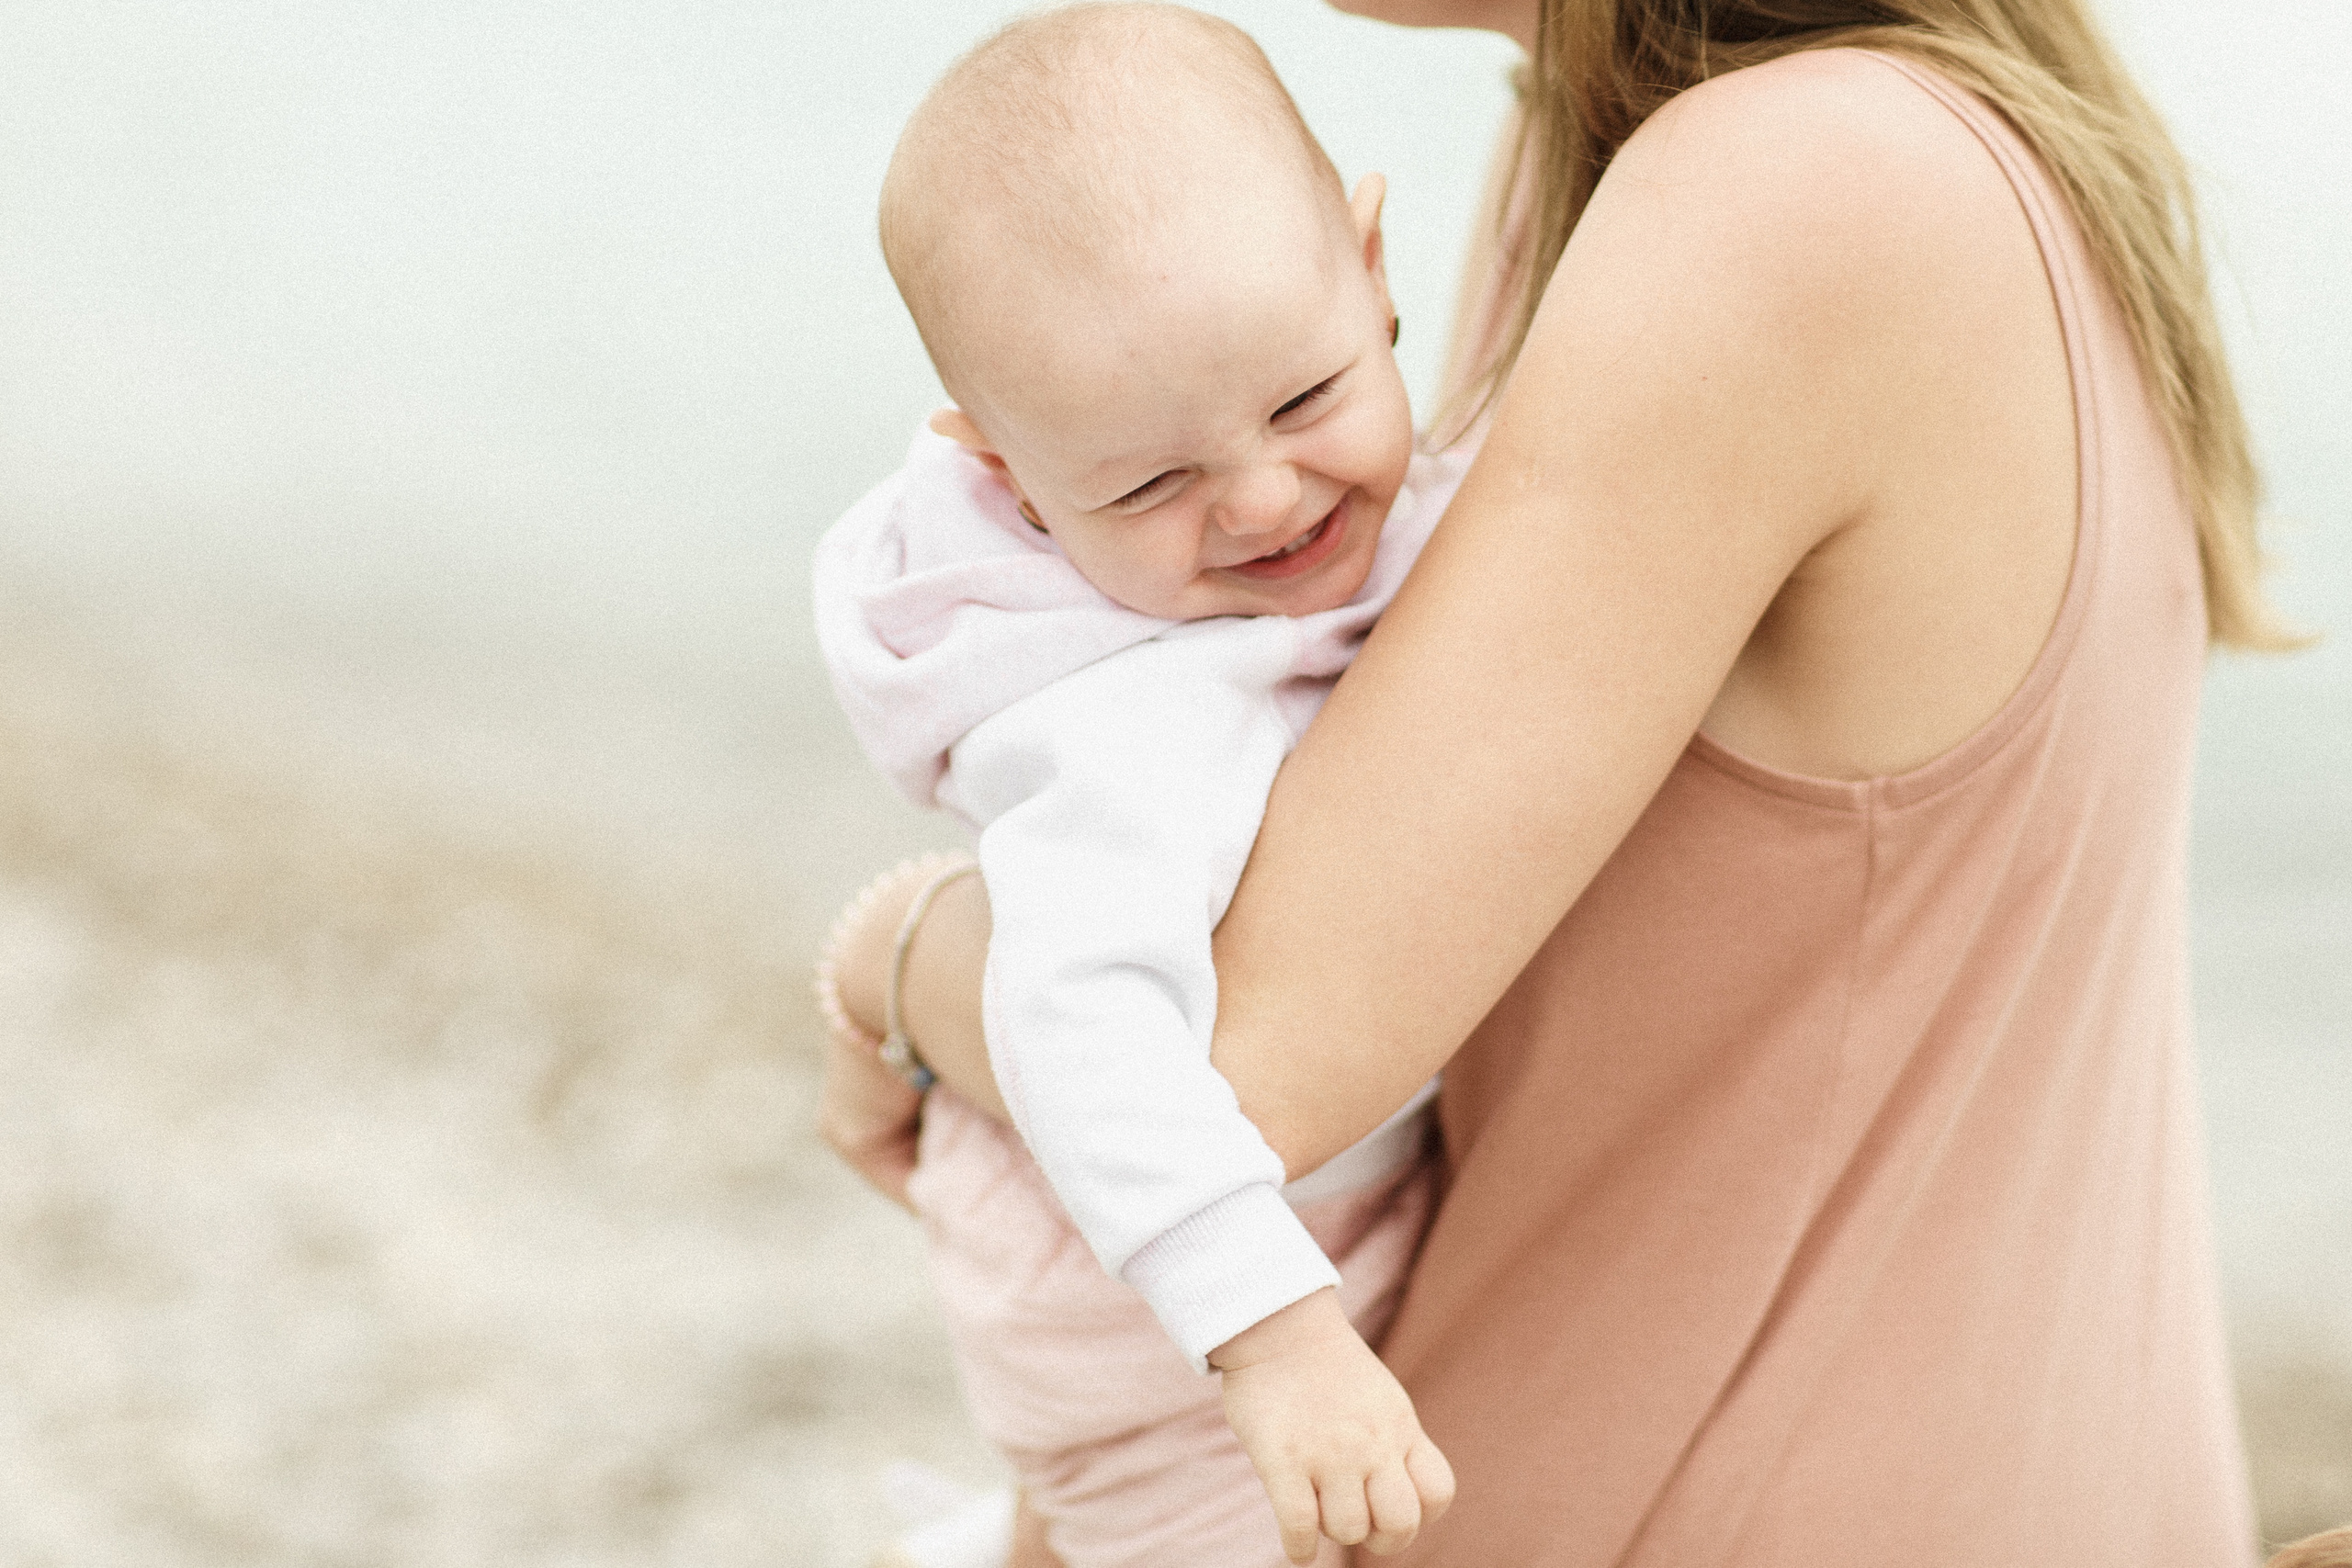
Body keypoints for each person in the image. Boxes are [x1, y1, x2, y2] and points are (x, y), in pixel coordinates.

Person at [822, 0, 2300, 1562]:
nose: (1263, 489)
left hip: (1711, 1492)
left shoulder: (1788, 186)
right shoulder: (1634, 131)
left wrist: (895, 957)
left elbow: (1230, 1069)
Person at [815, 8, 1465, 1565]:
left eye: (1309, 399)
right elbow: (1076, 1011)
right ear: (1011, 482)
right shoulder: (1128, 718)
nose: (1260, 496)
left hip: (1235, 1235)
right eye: (1150, 483)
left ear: (1375, 271)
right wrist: (1275, 1339)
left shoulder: (1332, 531)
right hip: (1142, 1286)